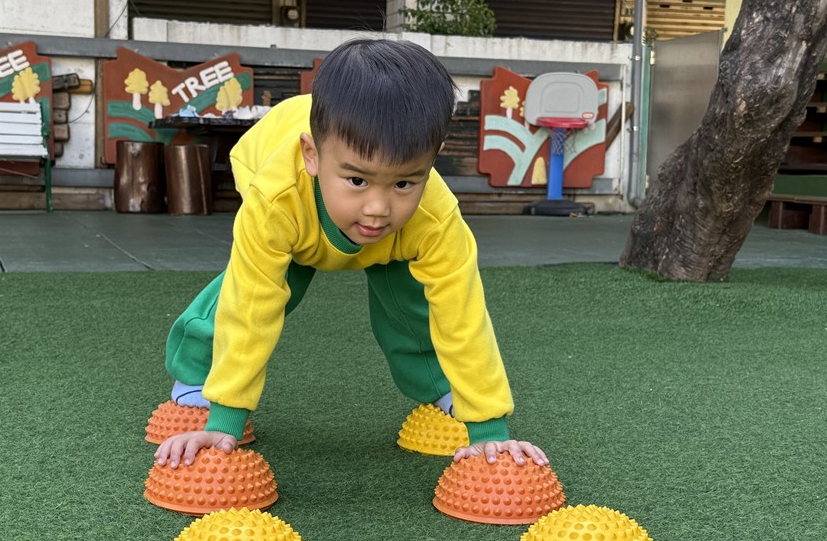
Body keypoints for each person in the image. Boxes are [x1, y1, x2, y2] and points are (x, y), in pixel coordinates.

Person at [154, 38, 548, 470]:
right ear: (312, 155)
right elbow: (249, 306)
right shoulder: (275, 199)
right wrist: (225, 418)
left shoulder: (435, 217)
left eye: (404, 183)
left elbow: (463, 314)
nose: (378, 208)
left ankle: (439, 384)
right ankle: (196, 371)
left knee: (409, 291)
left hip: (385, 228)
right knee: (271, 283)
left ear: (432, 162)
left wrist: (488, 429)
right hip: (279, 181)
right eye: (358, 181)